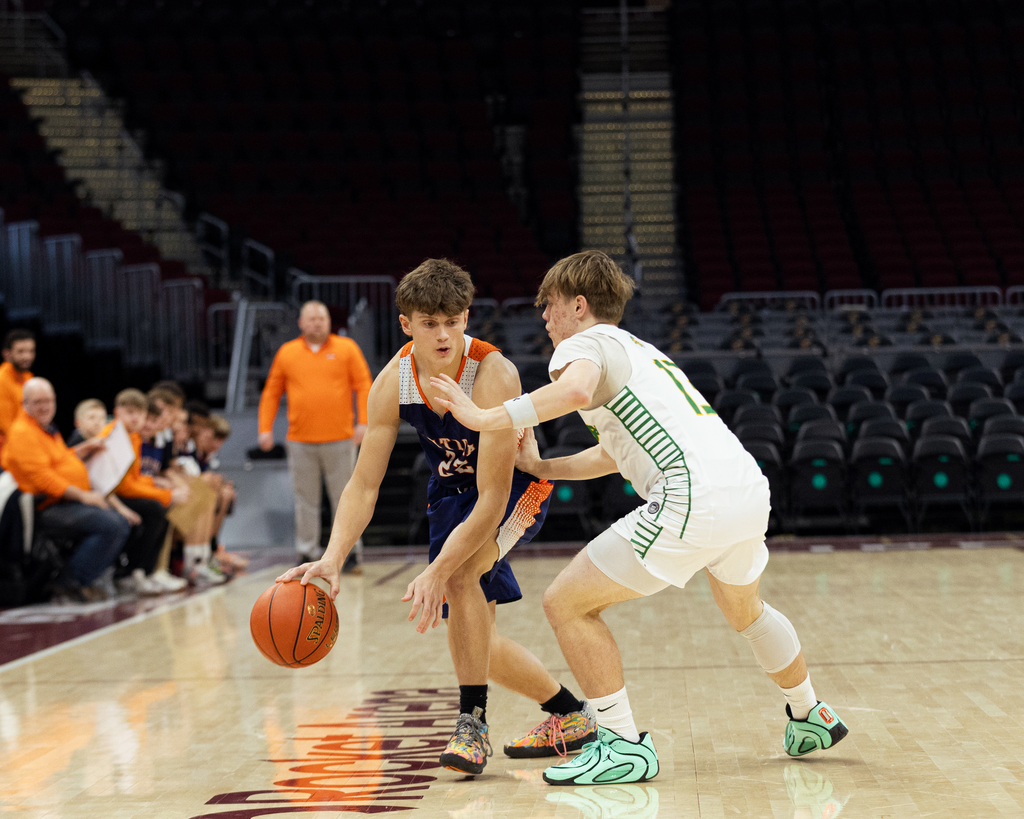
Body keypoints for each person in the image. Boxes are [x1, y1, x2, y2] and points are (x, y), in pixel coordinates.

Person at [430, 250, 849, 786]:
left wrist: (481, 415)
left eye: (550, 306)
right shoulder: (640, 352)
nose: (543, 317)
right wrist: (541, 465)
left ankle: (623, 745)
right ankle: (809, 713)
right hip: (745, 491)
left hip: (691, 497)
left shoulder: (582, 346)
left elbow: (575, 390)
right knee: (749, 611)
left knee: (565, 604)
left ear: (578, 306)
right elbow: (615, 453)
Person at [278, 259, 596, 775]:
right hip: (450, 491)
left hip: (514, 490)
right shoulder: (392, 382)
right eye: (429, 323)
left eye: (453, 320)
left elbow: (493, 498)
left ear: (467, 316)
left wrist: (437, 569)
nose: (443, 333)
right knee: (478, 642)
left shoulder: (493, 374)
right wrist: (333, 557)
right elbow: (363, 483)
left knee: (461, 576)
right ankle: (571, 715)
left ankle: (471, 727)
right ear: (407, 325)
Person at [258, 300, 373, 567]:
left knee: (346, 498)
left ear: (329, 322)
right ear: (300, 323)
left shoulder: (347, 348)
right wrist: (265, 429)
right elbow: (271, 393)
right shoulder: (287, 352)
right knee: (305, 500)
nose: (316, 323)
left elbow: (364, 385)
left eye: (321, 318)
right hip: (300, 440)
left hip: (341, 438)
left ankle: (350, 551)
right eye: (311, 318)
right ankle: (307, 550)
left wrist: (364, 422)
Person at [0, 378, 129, 603]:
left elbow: (57, 461)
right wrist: (84, 496)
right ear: (25, 404)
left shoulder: (46, 429)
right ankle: (67, 584)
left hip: (64, 502)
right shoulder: (23, 432)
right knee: (111, 524)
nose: (45, 406)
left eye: (49, 400)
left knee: (117, 520)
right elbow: (43, 479)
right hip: (44, 506)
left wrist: (80, 451)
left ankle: (86, 579)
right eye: (38, 402)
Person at [101, 389, 189, 594]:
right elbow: (123, 486)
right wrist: (166, 494)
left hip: (118, 493)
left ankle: (147, 572)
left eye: (139, 413)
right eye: (129, 412)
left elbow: (134, 479)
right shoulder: (114, 436)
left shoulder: (132, 437)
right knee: (155, 509)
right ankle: (133, 572)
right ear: (117, 412)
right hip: (109, 496)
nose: (136, 418)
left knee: (160, 510)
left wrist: (154, 484)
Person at [0, 329, 36, 455]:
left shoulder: (28, 377)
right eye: (21, 351)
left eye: (31, 351)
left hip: (28, 443)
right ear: (7, 354)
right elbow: (6, 427)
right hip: (8, 452)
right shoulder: (2, 381)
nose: (27, 356)